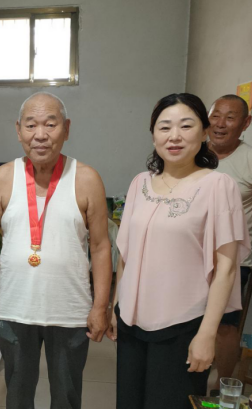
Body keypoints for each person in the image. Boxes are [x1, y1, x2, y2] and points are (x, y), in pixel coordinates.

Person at [107, 93, 250, 409]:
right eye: (164, 127)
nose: (174, 136)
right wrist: (116, 306)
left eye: (186, 126)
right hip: (131, 321)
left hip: (183, 325)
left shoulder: (218, 186)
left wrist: (207, 334)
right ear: (153, 135)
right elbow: (125, 253)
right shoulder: (140, 183)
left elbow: (226, 268)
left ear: (204, 132)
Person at [0, 92, 113, 409]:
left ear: (66, 128)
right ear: (18, 130)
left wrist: (100, 306)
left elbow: (100, 246)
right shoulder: (2, 178)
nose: (40, 134)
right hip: (14, 308)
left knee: (66, 395)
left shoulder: (86, 178)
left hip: (70, 311)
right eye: (31, 125)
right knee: (18, 394)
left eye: (50, 124)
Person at [207, 95, 252, 386]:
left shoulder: (248, 159)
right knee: (186, 320)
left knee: (225, 325)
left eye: (230, 118)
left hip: (233, 261)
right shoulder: (191, 153)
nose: (220, 124)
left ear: (245, 124)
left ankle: (221, 389)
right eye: (215, 116)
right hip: (188, 256)